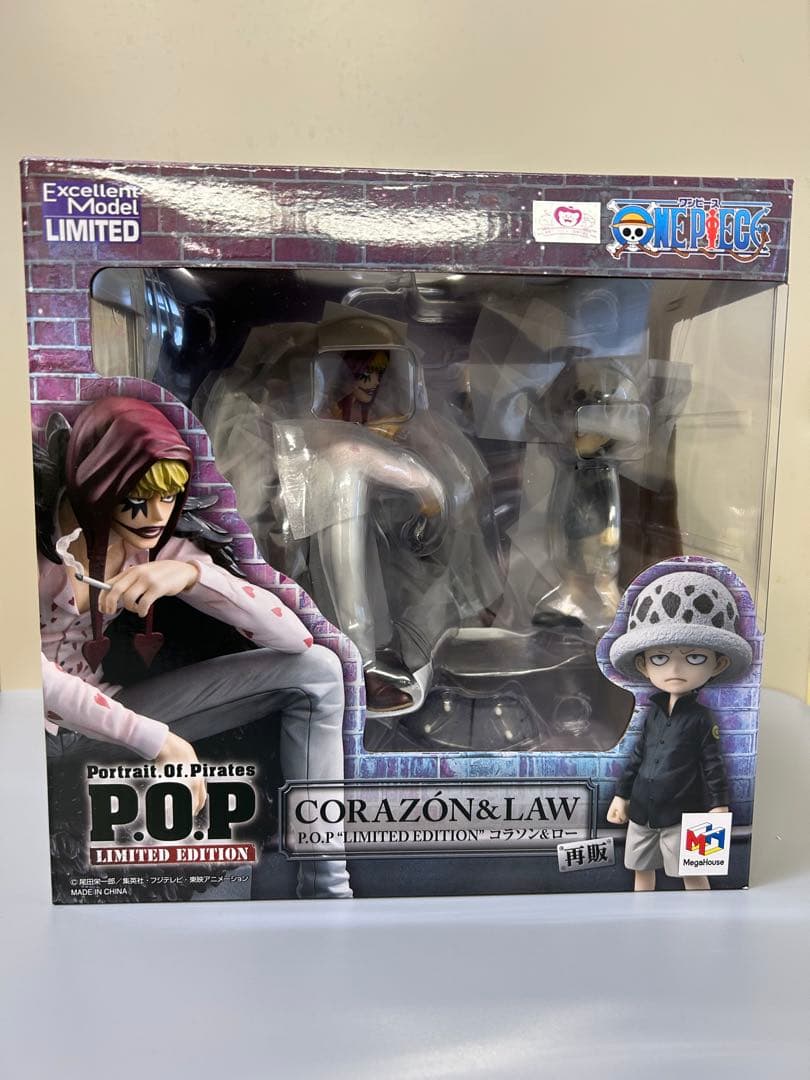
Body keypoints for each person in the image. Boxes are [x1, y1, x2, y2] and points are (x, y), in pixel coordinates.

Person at [37, 395, 351, 899]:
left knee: (319, 670)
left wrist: (189, 575)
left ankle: (328, 891)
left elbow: (295, 639)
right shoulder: (27, 543)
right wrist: (157, 741)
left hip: (108, 718)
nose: (156, 515)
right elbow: (28, 675)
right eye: (139, 497)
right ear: (98, 481)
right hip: (28, 734)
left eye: (169, 496)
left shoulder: (152, 545)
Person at [605, 569, 753, 891]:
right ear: (643, 664)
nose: (675, 669)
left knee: (694, 872)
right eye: (660, 658)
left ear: (718, 663)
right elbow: (638, 758)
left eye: (694, 657)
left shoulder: (701, 718)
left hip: (686, 813)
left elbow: (713, 764)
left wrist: (718, 805)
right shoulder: (653, 715)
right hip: (643, 811)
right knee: (641, 869)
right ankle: (640, 914)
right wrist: (622, 795)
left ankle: (701, 917)